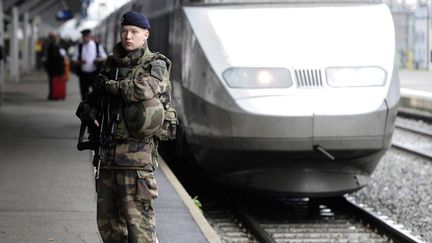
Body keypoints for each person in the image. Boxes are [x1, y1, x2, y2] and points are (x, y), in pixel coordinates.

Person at [76, 11, 176, 243]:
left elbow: (144, 90)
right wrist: (90, 112)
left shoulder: (156, 64)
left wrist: (109, 86)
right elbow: (88, 101)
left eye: (134, 32)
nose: (128, 36)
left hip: (136, 162)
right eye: (124, 31)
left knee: (139, 227)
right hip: (108, 157)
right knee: (109, 226)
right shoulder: (110, 64)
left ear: (145, 35)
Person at [72, 29, 107, 100]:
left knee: (95, 93)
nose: (85, 38)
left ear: (89, 36)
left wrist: (98, 60)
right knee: (84, 94)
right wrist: (80, 62)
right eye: (84, 37)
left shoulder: (96, 45)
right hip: (83, 74)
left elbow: (105, 57)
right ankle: (85, 108)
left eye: (86, 36)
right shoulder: (79, 46)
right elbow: (73, 60)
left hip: (94, 73)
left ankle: (93, 108)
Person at [44, 33, 66, 100]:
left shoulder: (55, 46)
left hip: (55, 68)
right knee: (54, 82)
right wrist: (62, 57)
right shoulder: (53, 46)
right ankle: (54, 95)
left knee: (54, 82)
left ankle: (55, 94)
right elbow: (55, 56)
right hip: (54, 68)